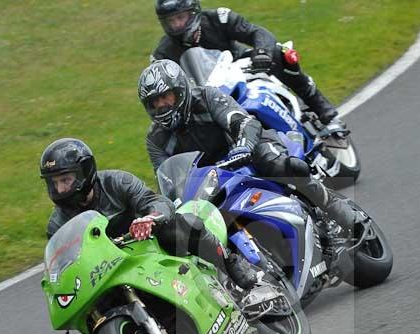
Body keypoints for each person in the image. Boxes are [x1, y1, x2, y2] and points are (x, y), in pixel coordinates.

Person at [138, 60, 359, 230]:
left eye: (166, 97)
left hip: (247, 148)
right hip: (210, 180)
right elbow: (166, 180)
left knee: (281, 166)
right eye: (154, 102)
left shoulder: (206, 97)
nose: (161, 106)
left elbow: (243, 121)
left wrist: (243, 146)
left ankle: (336, 209)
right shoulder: (155, 139)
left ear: (180, 91)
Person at [40, 137, 258, 289]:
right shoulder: (57, 224)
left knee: (178, 224)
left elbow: (156, 201)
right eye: (54, 183)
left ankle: (230, 263)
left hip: (148, 243)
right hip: (109, 268)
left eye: (66, 180)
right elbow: (64, 264)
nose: (60, 189)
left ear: (85, 172)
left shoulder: (117, 182)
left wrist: (151, 218)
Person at [151, 0, 339, 125]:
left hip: (242, 67)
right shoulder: (162, 54)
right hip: (207, 94)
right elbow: (163, 90)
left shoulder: (218, 18)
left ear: (193, 12)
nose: (176, 25)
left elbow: (257, 32)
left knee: (282, 53)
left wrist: (262, 53)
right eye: (170, 21)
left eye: (180, 17)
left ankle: (321, 107)